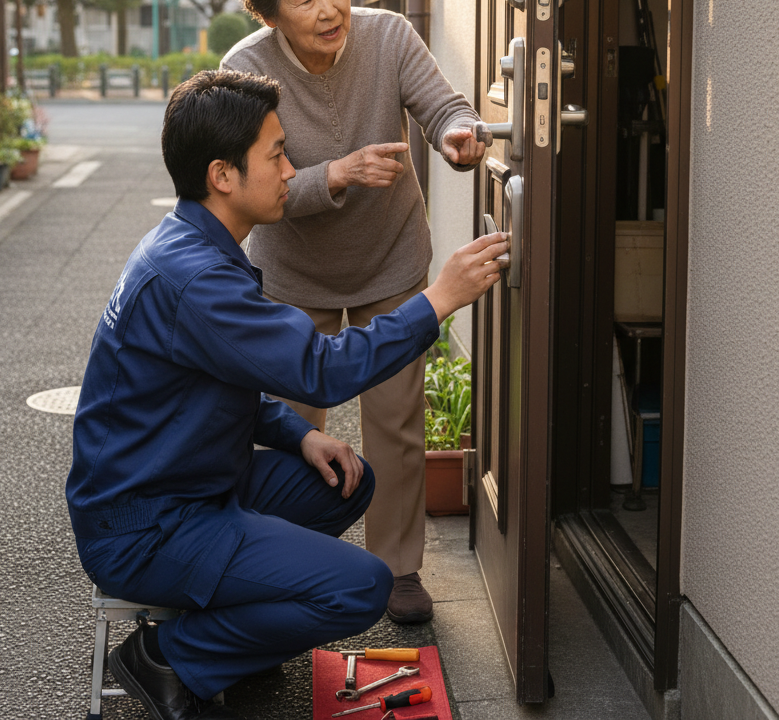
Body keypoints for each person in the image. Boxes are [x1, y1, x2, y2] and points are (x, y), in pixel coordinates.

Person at [66, 70, 508, 720]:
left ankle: (240, 622)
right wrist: (437, 300)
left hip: (188, 482)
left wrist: (298, 432)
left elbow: (221, 375)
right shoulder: (196, 279)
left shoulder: (190, 245)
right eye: (276, 154)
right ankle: (171, 658)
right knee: (361, 589)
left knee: (347, 481)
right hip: (149, 525)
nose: (290, 169)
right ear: (223, 175)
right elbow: (322, 369)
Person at [222, 0, 487, 624]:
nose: (328, 8)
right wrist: (335, 174)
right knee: (292, 428)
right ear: (270, 8)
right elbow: (259, 193)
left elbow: (442, 106)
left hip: (390, 260)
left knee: (396, 426)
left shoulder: (388, 35)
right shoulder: (246, 68)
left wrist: (460, 134)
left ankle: (398, 568)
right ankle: (289, 564)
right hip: (291, 276)